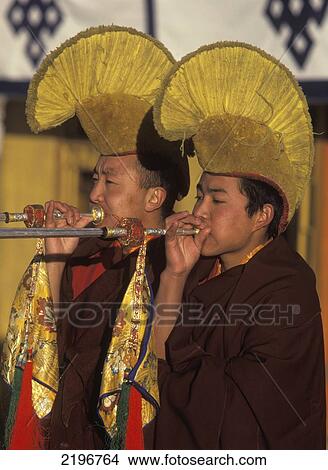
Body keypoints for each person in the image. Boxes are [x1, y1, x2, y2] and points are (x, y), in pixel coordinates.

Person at [1, 26, 191, 450]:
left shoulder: (179, 255)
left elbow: (163, 363)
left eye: (110, 180)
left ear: (155, 196)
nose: (94, 194)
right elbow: (49, 354)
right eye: (95, 177)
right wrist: (56, 257)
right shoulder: (88, 251)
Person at [148, 41, 326, 449]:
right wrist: (174, 274)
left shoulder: (287, 287)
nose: (201, 210)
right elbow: (158, 356)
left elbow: (239, 415)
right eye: (199, 195)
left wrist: (178, 367)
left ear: (261, 216)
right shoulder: (194, 266)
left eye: (218, 199)